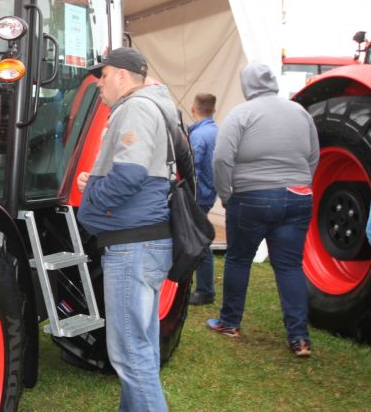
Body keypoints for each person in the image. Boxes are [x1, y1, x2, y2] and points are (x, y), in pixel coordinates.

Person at [77, 47, 193, 412]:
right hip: (143, 243)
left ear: (123, 77)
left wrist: (92, 195)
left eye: (105, 75)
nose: (100, 83)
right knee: (139, 348)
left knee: (130, 356)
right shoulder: (153, 106)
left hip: (133, 247)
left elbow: (129, 175)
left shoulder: (136, 108)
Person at [207, 61, 319, 358]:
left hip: (251, 197)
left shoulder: (241, 113)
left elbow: (221, 159)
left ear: (247, 86)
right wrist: (299, 183)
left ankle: (229, 323)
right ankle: (299, 338)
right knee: (289, 266)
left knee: (239, 260)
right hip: (298, 196)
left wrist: (225, 193)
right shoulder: (300, 112)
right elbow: (313, 157)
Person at [188, 93, 219, 305]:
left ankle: (205, 290)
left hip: (199, 194)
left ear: (193, 109)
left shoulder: (198, 136)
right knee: (199, 239)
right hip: (210, 192)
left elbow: (192, 167)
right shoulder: (217, 131)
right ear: (213, 110)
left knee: (199, 241)